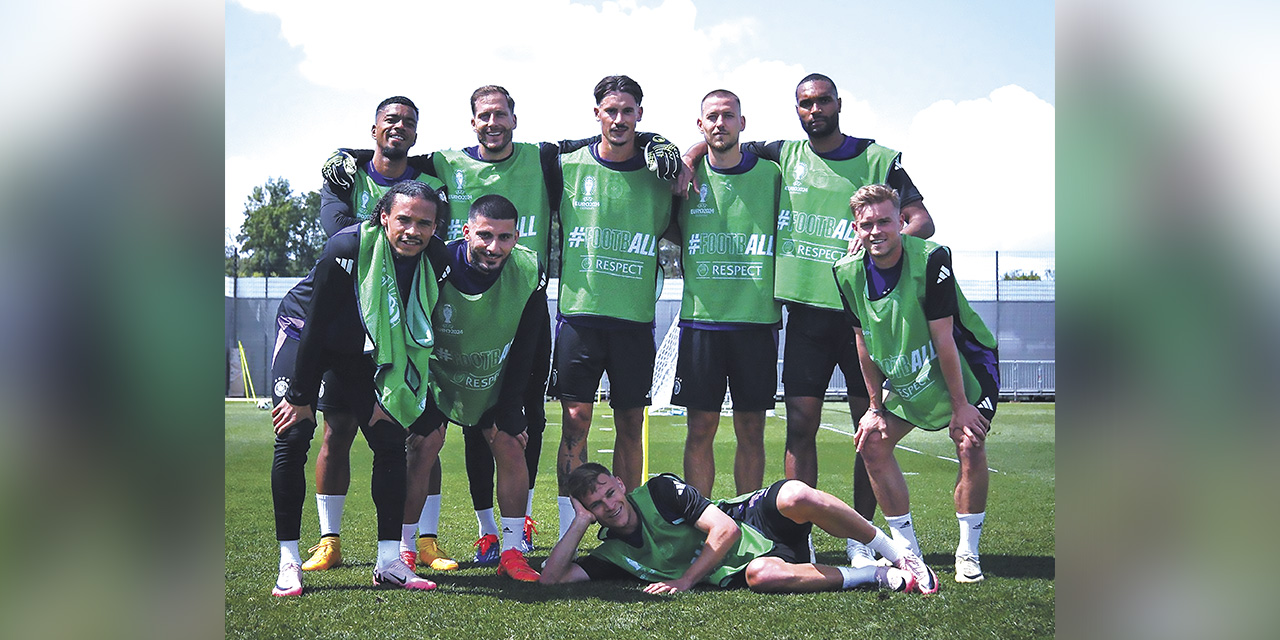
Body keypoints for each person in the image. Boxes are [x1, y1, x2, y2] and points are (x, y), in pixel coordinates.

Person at [326, 85, 681, 564]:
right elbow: (395, 153)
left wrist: (656, 140)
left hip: (522, 309)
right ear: (472, 122)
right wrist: (349, 154)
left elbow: (610, 135)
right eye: (483, 116)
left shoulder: (545, 160)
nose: (492, 123)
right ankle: (474, 532)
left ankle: (531, 527)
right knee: (439, 433)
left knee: (520, 424)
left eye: (501, 114)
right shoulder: (447, 163)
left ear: (515, 118)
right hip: (457, 306)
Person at [681, 73, 935, 566]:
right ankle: (798, 539)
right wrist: (690, 156)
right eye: (805, 103)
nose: (814, 110)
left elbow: (922, 220)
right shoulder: (785, 154)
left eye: (822, 101)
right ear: (796, 110)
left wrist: (885, 238)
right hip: (805, 318)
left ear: (838, 103)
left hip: (862, 316)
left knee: (870, 427)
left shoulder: (877, 157)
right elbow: (720, 139)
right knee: (801, 427)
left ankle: (863, 541)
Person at [299, 96, 460, 574]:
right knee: (339, 428)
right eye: (390, 120)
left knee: (420, 430)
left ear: (416, 133)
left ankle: (423, 541)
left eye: (409, 122)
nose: (399, 127)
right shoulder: (346, 174)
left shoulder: (431, 180)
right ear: (373, 129)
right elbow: (339, 231)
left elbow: (433, 236)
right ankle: (330, 540)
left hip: (407, 322)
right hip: (349, 323)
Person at [268, 181, 450, 596]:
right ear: (383, 217)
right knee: (293, 433)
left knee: (388, 437)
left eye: (424, 223)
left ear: (435, 226)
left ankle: (389, 561)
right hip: (303, 333)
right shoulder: (346, 248)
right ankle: (289, 561)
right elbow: (315, 324)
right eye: (403, 219)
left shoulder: (436, 258)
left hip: (356, 348)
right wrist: (300, 397)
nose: (413, 231)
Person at [834, 184, 999, 584]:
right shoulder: (846, 273)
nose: (876, 231)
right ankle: (907, 552)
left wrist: (961, 406)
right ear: (856, 229)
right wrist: (874, 408)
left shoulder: (931, 259)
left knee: (969, 440)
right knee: (872, 442)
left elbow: (944, 337)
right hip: (914, 375)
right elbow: (862, 342)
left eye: (885, 221)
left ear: (901, 222)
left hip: (964, 366)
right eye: (866, 224)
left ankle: (968, 552)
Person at [549, 75, 680, 541]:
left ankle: (631, 528)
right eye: (611, 110)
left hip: (634, 322)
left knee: (630, 422)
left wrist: (663, 146)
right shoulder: (565, 164)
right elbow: (506, 156)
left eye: (628, 111)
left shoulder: (660, 173)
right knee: (575, 423)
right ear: (597, 114)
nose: (619, 119)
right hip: (580, 320)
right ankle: (572, 526)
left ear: (640, 114)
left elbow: (700, 181)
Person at [398, 194, 549, 582]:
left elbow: (528, 343)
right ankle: (404, 550)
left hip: (493, 378)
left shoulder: (529, 270)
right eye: (484, 235)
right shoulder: (434, 264)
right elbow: (411, 331)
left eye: (504, 237)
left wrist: (513, 402)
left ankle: (513, 552)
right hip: (438, 375)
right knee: (423, 446)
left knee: (512, 442)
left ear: (516, 238)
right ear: (466, 232)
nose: (493, 247)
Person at [538, 462, 938, 595]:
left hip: (750, 522)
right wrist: (579, 523)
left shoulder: (658, 490)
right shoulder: (612, 554)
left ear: (620, 484)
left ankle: (896, 551)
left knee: (797, 494)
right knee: (762, 574)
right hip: (751, 564)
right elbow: (551, 579)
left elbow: (725, 530)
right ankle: (875, 573)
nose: (610, 505)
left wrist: (684, 581)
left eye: (610, 492)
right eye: (596, 505)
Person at [670, 89, 780, 497]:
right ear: (701, 125)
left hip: (756, 322)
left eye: (728, 116)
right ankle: (700, 523)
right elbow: (666, 224)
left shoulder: (772, 176)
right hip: (703, 321)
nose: (720, 123)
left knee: (751, 429)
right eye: (711, 117)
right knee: (700, 427)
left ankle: (748, 519)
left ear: (742, 123)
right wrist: (688, 158)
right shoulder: (686, 179)